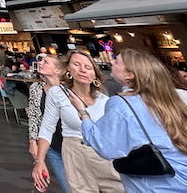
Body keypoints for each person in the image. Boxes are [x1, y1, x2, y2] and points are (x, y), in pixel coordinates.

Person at [71, 49, 187, 192]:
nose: (111, 61)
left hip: (153, 186)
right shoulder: (174, 98)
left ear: (129, 75)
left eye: (117, 61)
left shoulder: (121, 103)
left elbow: (104, 146)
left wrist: (83, 113)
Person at [32, 51, 123, 193]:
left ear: (94, 74)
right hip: (75, 153)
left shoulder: (103, 99)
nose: (82, 70)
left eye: (88, 67)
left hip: (102, 155)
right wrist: (40, 161)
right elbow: (47, 127)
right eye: (77, 64)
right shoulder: (58, 93)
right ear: (68, 68)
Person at [26, 55, 70, 193]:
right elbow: (33, 115)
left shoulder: (69, 89)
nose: (40, 63)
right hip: (52, 144)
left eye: (46, 62)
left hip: (71, 143)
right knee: (66, 185)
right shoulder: (36, 88)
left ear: (58, 70)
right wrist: (33, 140)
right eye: (41, 61)